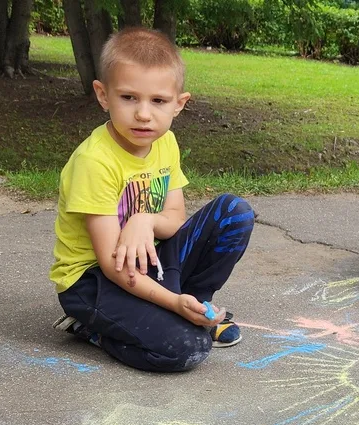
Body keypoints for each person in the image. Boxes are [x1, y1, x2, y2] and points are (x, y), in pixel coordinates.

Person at [50, 28, 254, 372]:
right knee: (187, 349)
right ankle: (91, 327)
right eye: (129, 97)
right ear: (103, 95)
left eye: (158, 101)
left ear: (179, 104)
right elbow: (114, 266)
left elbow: (175, 218)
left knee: (235, 212)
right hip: (95, 278)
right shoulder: (94, 162)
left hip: (148, 260)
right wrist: (172, 302)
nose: (144, 114)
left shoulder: (165, 142)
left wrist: (143, 218)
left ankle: (197, 306)